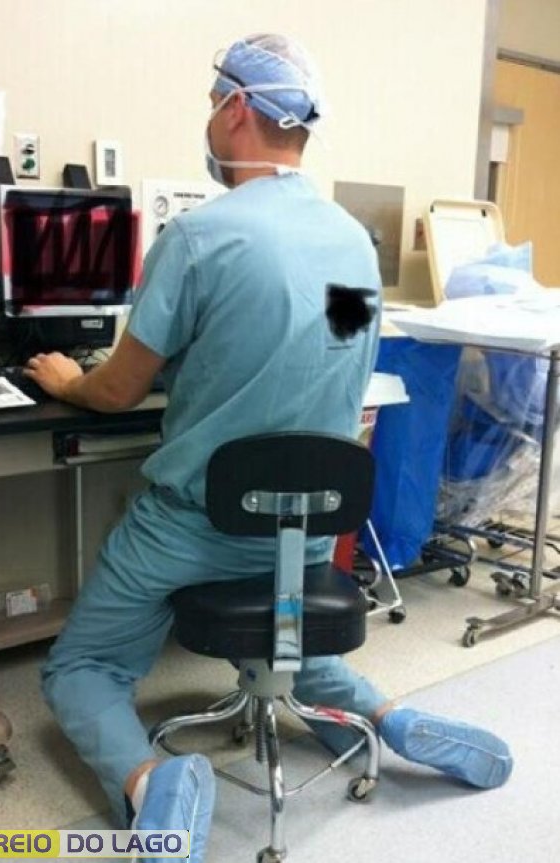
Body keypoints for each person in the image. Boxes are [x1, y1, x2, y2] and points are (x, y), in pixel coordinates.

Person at [25, 34, 513, 863]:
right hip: (305, 530)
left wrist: (70, 377)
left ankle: (153, 781)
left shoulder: (198, 238)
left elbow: (117, 389)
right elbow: (343, 359)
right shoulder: (353, 244)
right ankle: (392, 719)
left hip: (193, 529)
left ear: (236, 108)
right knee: (297, 654)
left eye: (212, 103)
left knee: (81, 667)